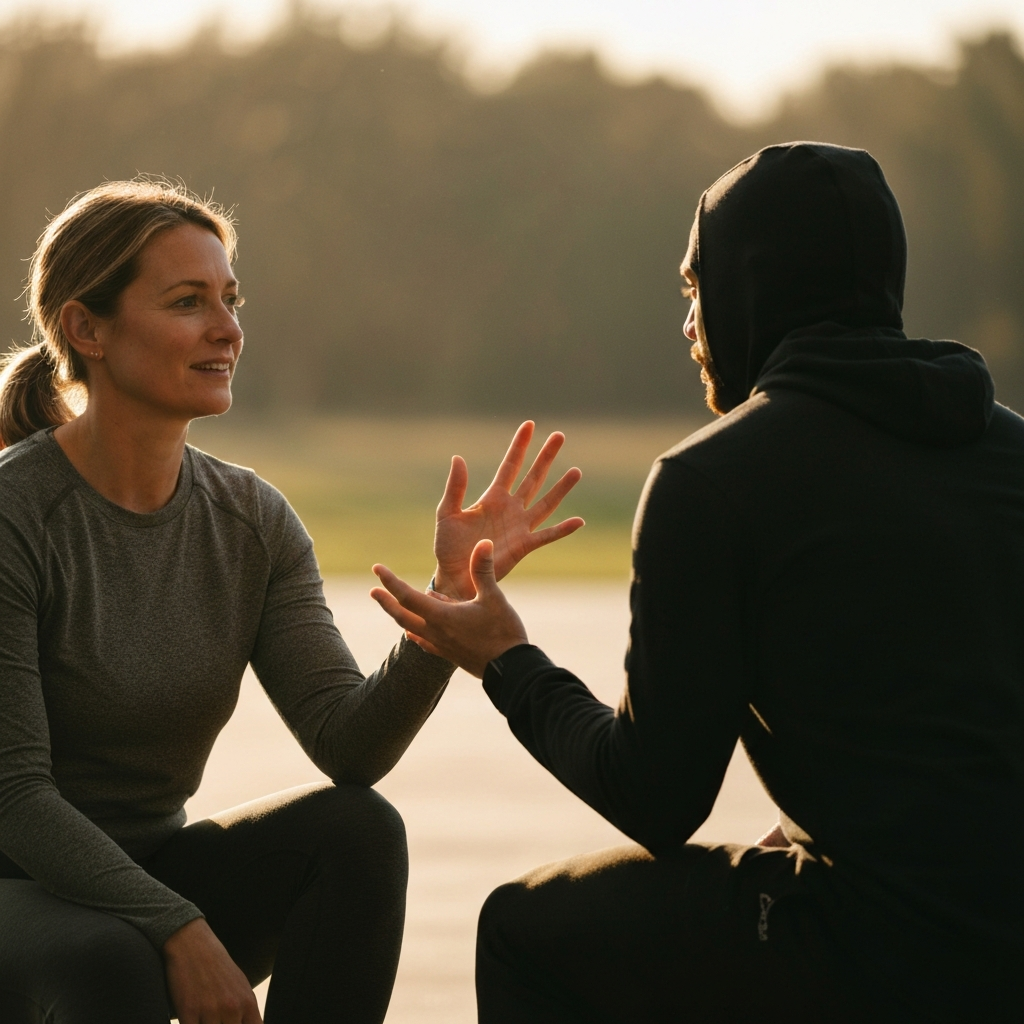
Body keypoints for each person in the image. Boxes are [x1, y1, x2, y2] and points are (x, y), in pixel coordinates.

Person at [371, 142, 1024, 1022]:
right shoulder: (1010, 452)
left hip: (888, 952)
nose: (688, 325)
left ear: (749, 287)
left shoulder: (716, 481)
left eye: (693, 287)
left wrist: (508, 662)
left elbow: (657, 797)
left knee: (527, 929)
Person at [0, 179, 584, 1024]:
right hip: (17, 883)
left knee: (359, 832)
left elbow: (348, 748)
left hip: (152, 874)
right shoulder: (17, 514)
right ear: (86, 329)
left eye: (231, 300)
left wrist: (443, 613)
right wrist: (180, 929)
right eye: (188, 302)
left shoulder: (251, 520)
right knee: (110, 957)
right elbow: (16, 801)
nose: (228, 330)